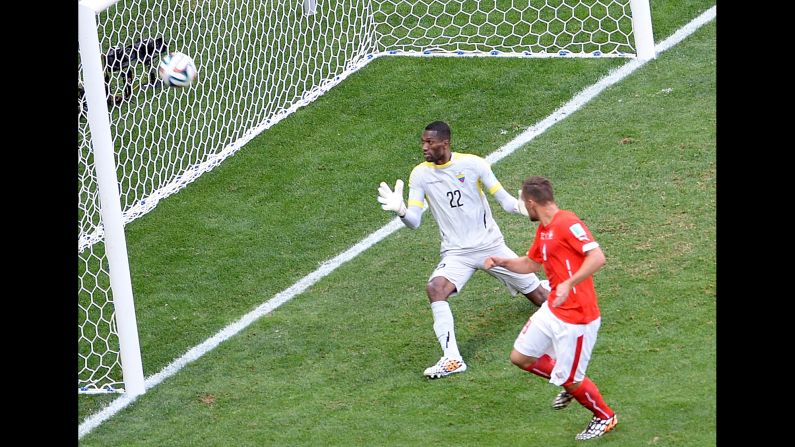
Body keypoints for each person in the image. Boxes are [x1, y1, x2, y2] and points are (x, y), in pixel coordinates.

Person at [377, 121, 549, 379]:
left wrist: (524, 208)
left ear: (444, 143)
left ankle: (558, 294)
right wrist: (401, 210)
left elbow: (503, 200)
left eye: (429, 142)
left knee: (541, 300)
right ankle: (452, 358)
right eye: (422, 142)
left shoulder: (473, 164)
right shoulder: (420, 175)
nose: (424, 147)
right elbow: (414, 221)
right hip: (456, 254)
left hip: (490, 247)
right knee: (436, 288)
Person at [484, 175, 618, 441]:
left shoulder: (568, 223)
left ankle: (605, 417)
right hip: (553, 310)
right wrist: (503, 262)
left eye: (524, 203)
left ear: (532, 203)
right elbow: (531, 264)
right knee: (520, 357)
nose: (523, 207)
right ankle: (568, 379)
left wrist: (569, 283)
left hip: (578, 317)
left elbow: (597, 257)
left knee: (572, 378)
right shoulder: (543, 231)